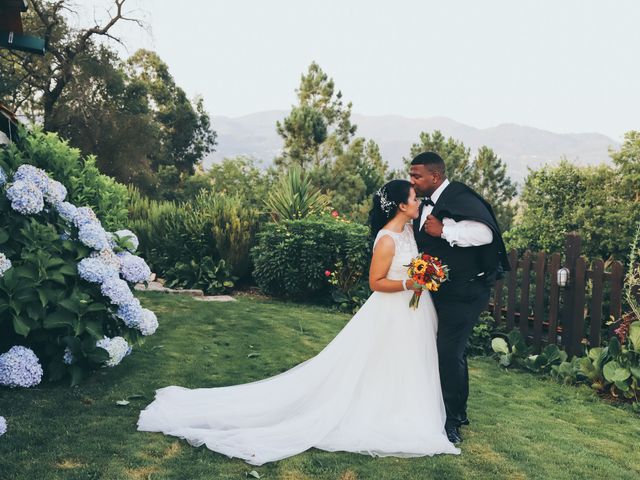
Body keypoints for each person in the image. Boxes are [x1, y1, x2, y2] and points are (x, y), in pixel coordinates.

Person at [137, 179, 460, 465]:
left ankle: (400, 411)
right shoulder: (387, 239)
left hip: (412, 310)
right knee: (379, 363)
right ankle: (381, 413)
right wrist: (411, 284)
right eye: (415, 198)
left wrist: (422, 274)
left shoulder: (406, 230)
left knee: (405, 364)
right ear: (402, 205)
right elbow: (376, 282)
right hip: (392, 308)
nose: (419, 202)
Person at [409, 151, 510, 444]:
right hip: (437, 291)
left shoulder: (461, 197)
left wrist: (445, 231)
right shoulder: (422, 203)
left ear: (435, 177)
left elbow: (485, 234)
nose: (412, 181)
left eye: (417, 176)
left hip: (466, 292)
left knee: (448, 351)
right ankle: (449, 409)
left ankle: (452, 419)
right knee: (446, 351)